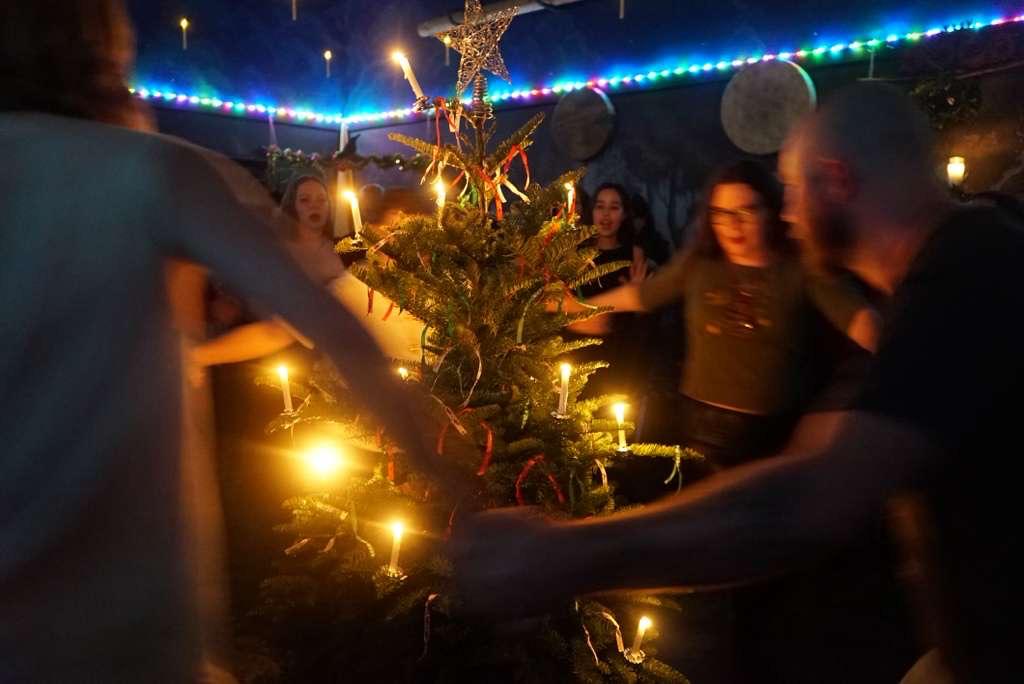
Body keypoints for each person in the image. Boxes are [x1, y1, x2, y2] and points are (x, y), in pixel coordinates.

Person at [453, 83, 1024, 683]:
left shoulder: (970, 278)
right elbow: (820, 451)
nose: (787, 213)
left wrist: (563, 553)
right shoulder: (945, 276)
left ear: (836, 180)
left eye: (791, 191)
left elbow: (805, 503)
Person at [0, 1, 432, 679]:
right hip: (124, 628)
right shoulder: (151, 171)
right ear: (104, 46)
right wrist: (447, 478)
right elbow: (334, 324)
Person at [574, 161, 881, 469]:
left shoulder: (800, 266)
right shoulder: (700, 263)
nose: (732, 226)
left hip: (771, 437)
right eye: (721, 214)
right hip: (696, 427)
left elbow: (863, 324)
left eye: (745, 211)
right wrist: (576, 309)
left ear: (770, 210)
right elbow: (641, 296)